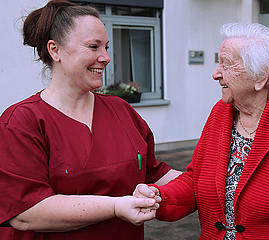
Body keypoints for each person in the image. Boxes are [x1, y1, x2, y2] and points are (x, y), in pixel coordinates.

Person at [0, 0, 181, 239]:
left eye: (106, 47)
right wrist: (116, 207)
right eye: (93, 47)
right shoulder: (22, 121)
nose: (106, 57)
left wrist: (217, 179)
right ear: (55, 50)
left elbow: (154, 173)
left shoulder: (121, 110)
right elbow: (26, 211)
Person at [134, 23, 269, 239]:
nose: (216, 74)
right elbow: (196, 181)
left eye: (227, 65)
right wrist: (159, 197)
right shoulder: (221, 113)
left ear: (260, 77)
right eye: (218, 63)